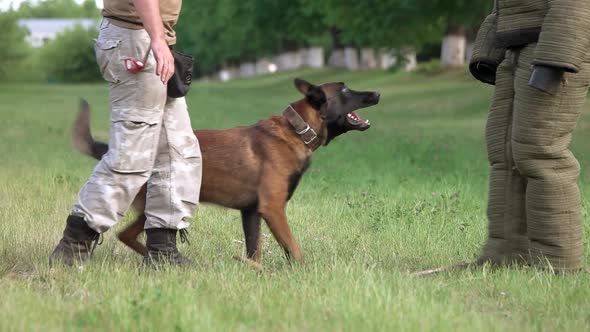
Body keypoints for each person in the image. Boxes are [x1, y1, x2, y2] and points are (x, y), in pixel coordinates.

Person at [420, 0, 590, 275]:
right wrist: (490, 48)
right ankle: (506, 255)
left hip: (554, 47)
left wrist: (554, 58)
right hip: (519, 47)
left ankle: (560, 265)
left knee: (540, 153)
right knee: (504, 152)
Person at [50, 0, 202, 267]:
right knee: (131, 157)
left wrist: (159, 39)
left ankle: (162, 251)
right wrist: (156, 38)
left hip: (152, 39)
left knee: (177, 150)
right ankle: (73, 246)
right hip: (136, 39)